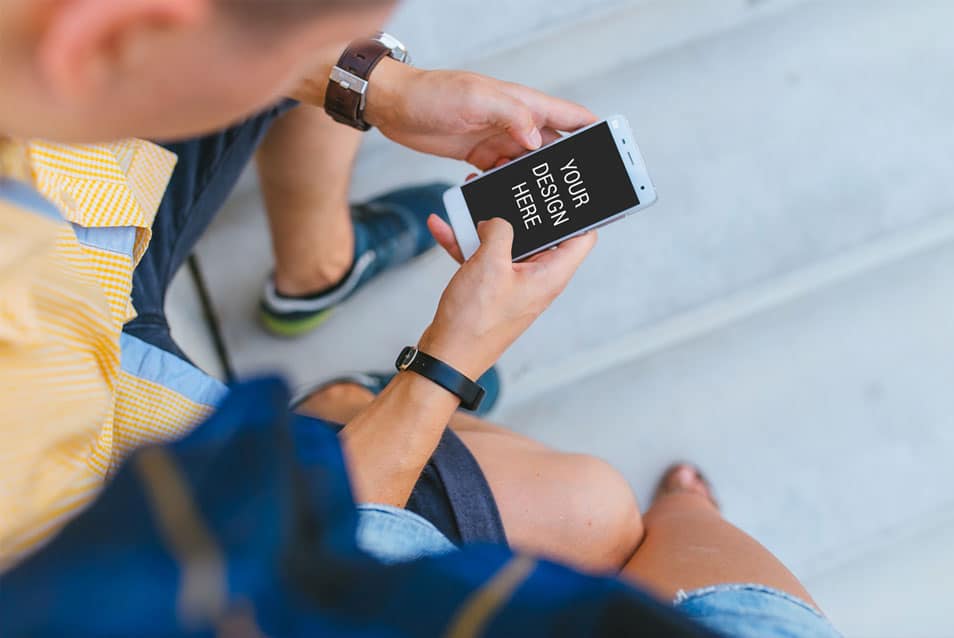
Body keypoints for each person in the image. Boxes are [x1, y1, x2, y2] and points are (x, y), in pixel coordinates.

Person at [0, 0, 842, 636]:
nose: (343, 58)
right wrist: (448, 357)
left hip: (91, 249)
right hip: (105, 415)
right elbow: (262, 559)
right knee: (596, 510)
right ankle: (339, 399)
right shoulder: (24, 441)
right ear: (102, 37)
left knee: (588, 505)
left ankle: (320, 283)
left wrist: (370, 85)